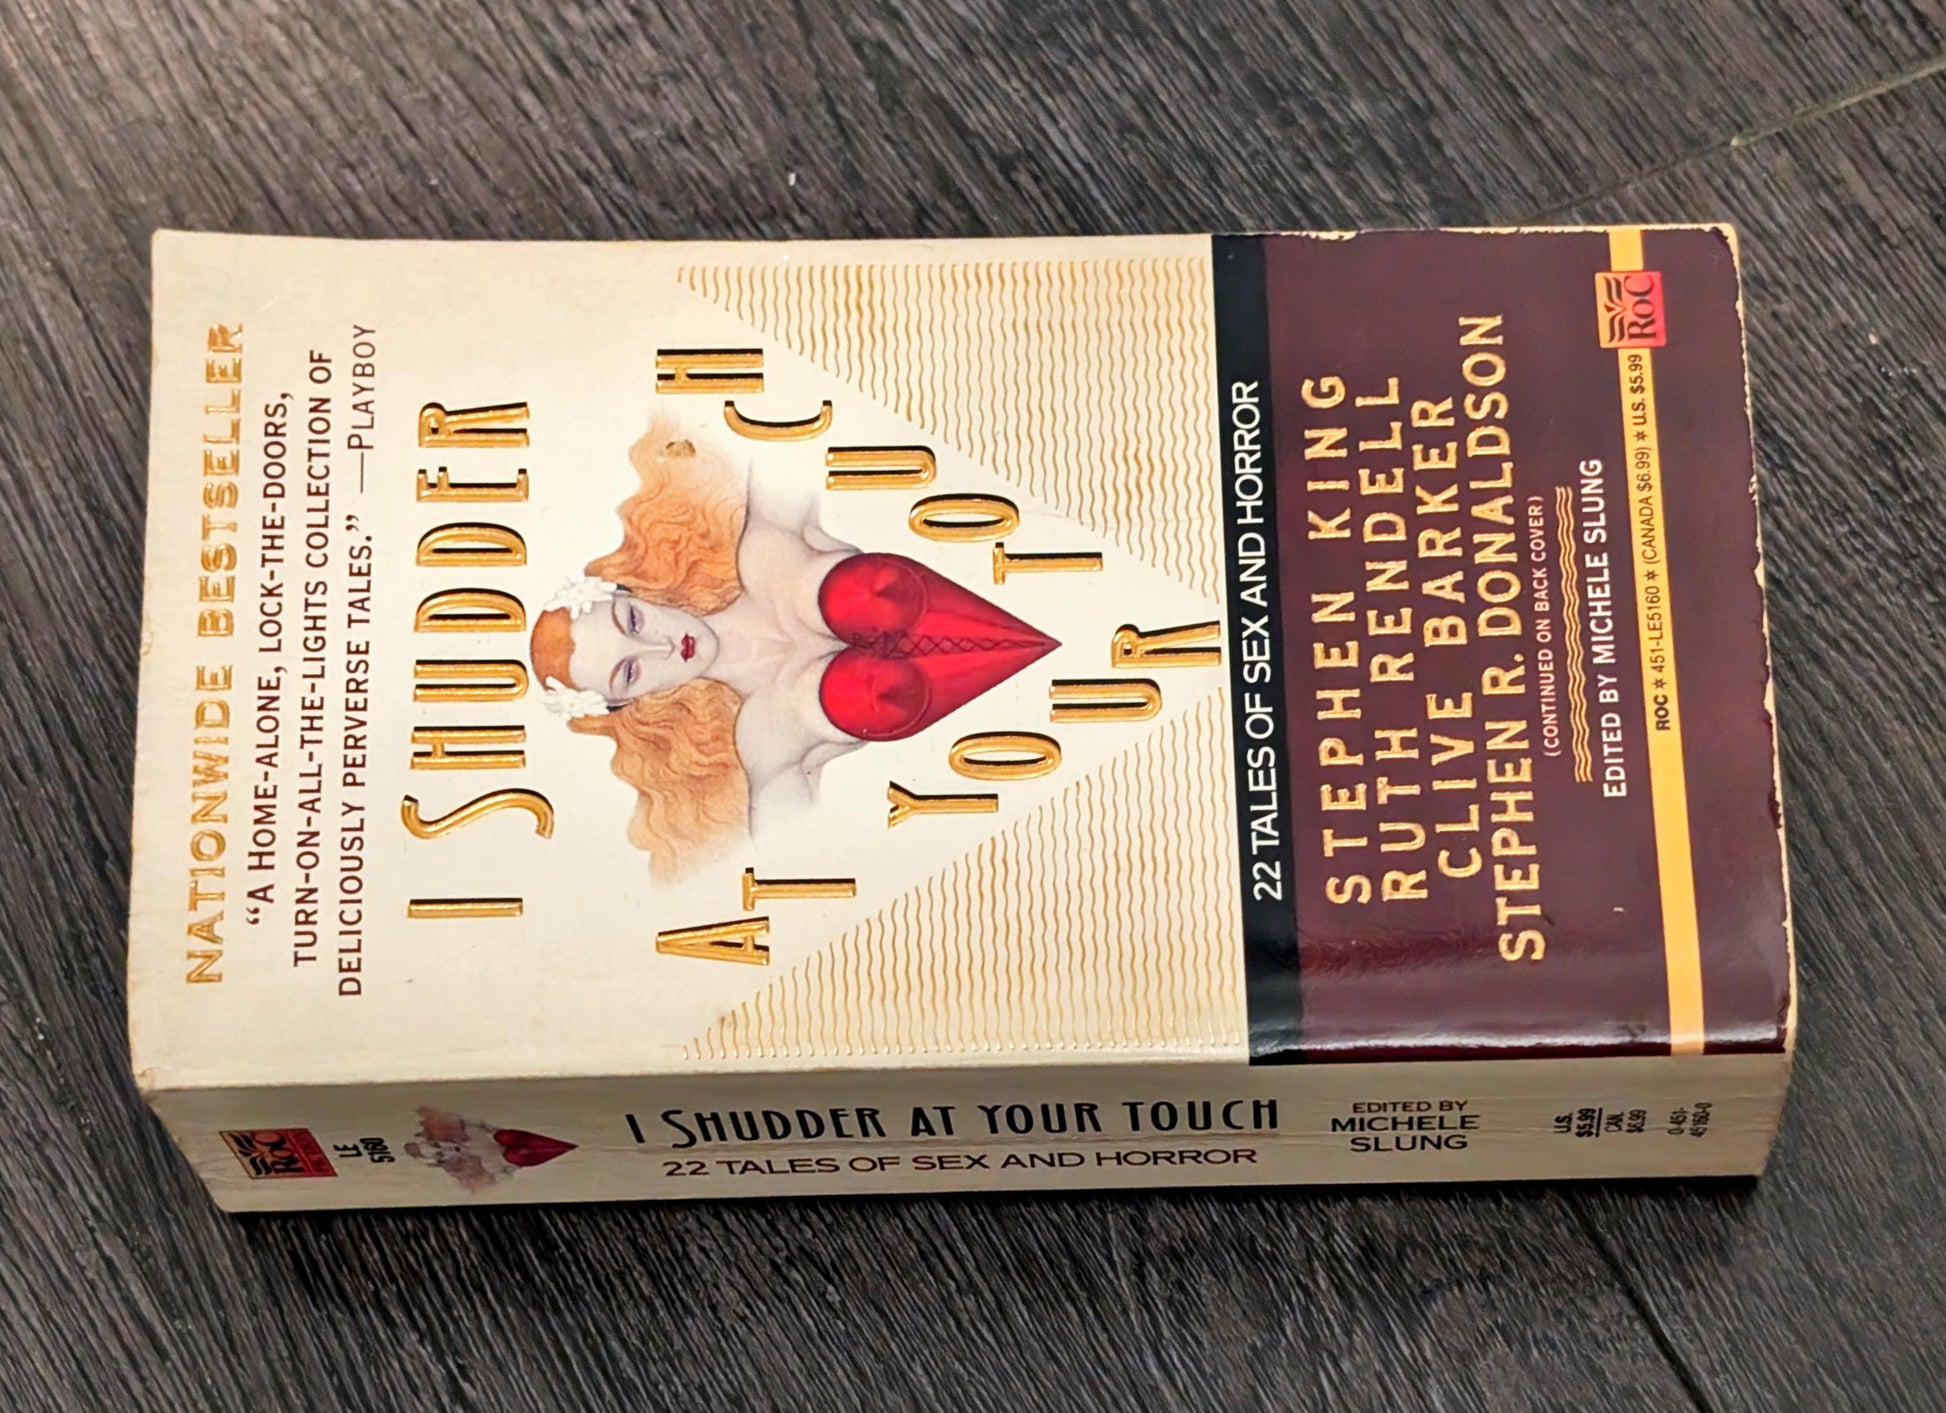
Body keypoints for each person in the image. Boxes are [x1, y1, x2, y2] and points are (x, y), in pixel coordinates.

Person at [529, 416, 1055, 881]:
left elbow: (807, 432)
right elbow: (801, 854)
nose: (661, 645)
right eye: (629, 672)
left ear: (635, 590)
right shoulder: (762, 748)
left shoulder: (762, 535)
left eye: (633, 620)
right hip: (1021, 730)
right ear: (626, 704)